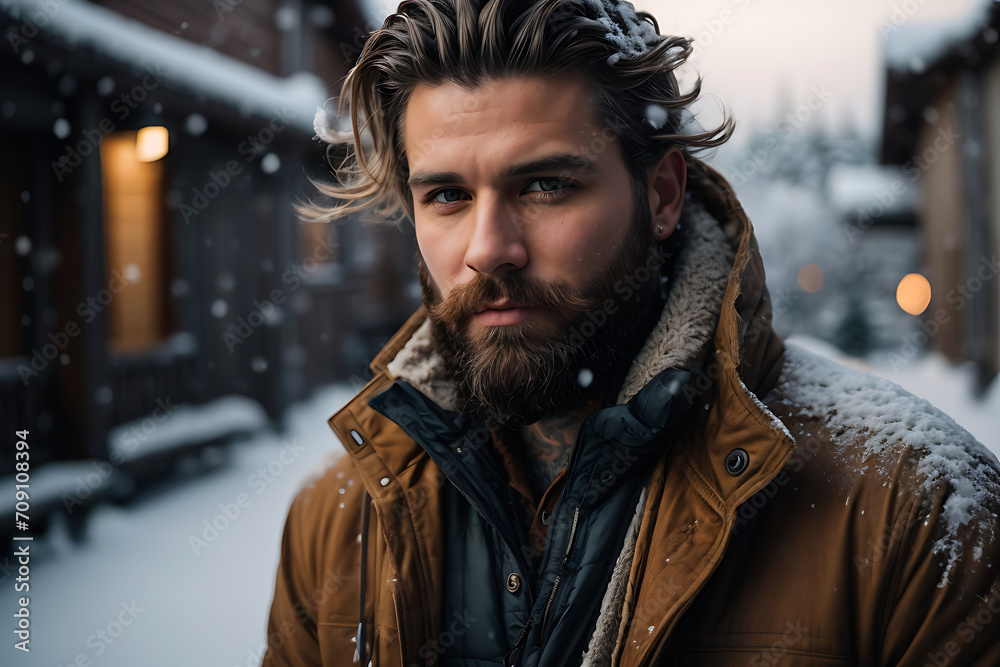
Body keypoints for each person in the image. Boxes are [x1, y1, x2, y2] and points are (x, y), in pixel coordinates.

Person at [262, 0, 1000, 664]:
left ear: (663, 194)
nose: (488, 247)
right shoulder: (337, 520)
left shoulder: (911, 510)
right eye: (448, 194)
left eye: (546, 184)